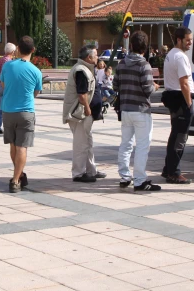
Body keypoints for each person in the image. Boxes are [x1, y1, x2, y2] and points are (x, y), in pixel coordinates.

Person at [115, 30, 161, 191]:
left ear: (131, 45)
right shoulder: (144, 65)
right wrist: (155, 86)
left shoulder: (121, 64)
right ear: (144, 48)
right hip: (141, 110)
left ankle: (124, 176)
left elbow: (115, 86)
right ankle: (140, 179)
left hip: (125, 108)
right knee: (142, 145)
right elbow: (148, 89)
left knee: (125, 143)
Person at [0, 36, 42, 193]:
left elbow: (3, 84)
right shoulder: (36, 71)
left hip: (8, 110)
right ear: (33, 50)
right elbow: (36, 92)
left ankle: (19, 174)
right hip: (26, 111)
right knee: (22, 146)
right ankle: (16, 180)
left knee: (13, 145)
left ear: (17, 48)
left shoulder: (7, 66)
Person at [63, 45, 105, 183]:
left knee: (87, 142)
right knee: (81, 144)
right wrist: (87, 109)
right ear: (89, 57)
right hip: (79, 114)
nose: (98, 57)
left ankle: (91, 170)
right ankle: (79, 173)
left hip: (84, 114)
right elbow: (82, 95)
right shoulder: (81, 70)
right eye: (96, 55)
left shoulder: (86, 69)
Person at [161, 26, 194, 185]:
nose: (190, 43)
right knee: (180, 137)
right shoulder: (180, 57)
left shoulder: (171, 54)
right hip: (180, 99)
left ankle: (168, 168)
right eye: (187, 40)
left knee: (175, 135)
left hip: (173, 98)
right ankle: (174, 173)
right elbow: (184, 83)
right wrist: (189, 104)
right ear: (179, 40)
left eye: (191, 40)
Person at [0, 43, 16, 135]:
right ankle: (8, 126)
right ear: (12, 51)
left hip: (0, 84)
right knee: (8, 107)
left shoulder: (0, 60)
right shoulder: (9, 61)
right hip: (6, 85)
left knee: (0, 107)